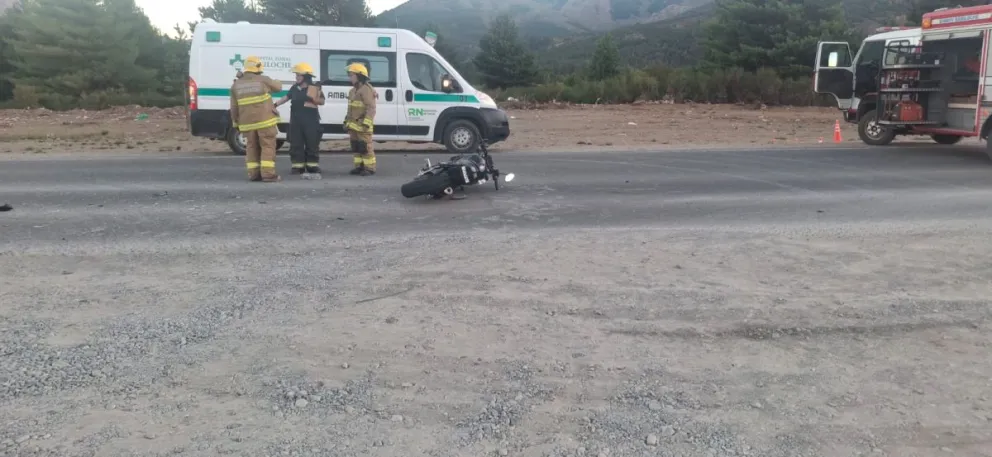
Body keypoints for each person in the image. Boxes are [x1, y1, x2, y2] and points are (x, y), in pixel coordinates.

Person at [230, 56, 283, 182]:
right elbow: (278, 87)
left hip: (247, 124)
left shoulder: (236, 85)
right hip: (265, 122)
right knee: (267, 146)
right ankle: (268, 174)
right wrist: (276, 80)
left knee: (251, 147)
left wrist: (235, 122)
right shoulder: (263, 80)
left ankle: (254, 174)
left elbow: (234, 106)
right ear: (258, 67)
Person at [276, 62, 324, 177]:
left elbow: (322, 101)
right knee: (296, 144)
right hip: (296, 121)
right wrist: (275, 104)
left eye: (299, 75)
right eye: (296, 75)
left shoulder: (314, 88)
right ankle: (298, 167)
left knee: (312, 143)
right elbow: (286, 97)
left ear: (305, 77)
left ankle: (312, 166)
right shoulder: (294, 88)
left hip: (311, 121)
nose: (296, 77)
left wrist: (313, 98)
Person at [344, 63, 377, 175]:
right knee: (356, 146)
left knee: (365, 146)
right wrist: (346, 122)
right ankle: (359, 166)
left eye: (352, 75)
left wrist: (366, 123)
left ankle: (369, 168)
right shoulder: (352, 91)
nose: (350, 77)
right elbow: (350, 109)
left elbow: (371, 108)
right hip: (353, 126)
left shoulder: (366, 90)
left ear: (360, 76)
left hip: (363, 125)